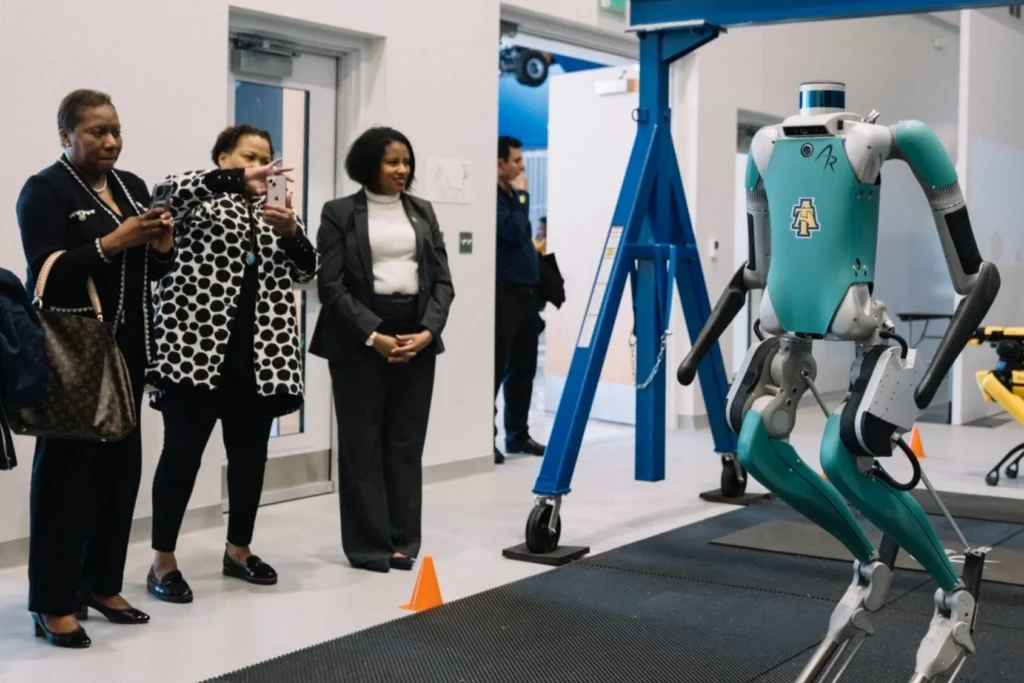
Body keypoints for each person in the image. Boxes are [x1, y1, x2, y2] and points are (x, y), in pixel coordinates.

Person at [15, 88, 177, 648]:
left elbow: (150, 274)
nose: (110, 141)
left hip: (128, 350)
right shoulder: (44, 189)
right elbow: (44, 273)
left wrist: (159, 247)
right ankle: (53, 603)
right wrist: (113, 242)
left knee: (119, 474)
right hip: (76, 356)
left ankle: (101, 584)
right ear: (66, 136)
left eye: (115, 130)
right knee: (64, 481)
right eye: (95, 132)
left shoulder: (131, 186)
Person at [145, 124, 318, 603]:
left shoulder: (276, 211)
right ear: (222, 157)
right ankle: (163, 561)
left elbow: (308, 270)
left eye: (267, 157)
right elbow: (166, 195)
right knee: (181, 456)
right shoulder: (197, 194)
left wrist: (290, 233)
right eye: (249, 156)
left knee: (249, 460)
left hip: (258, 359)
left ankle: (238, 550)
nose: (263, 165)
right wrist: (232, 182)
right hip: (193, 354)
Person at [309, 126, 454, 573]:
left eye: (406, 162)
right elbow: (330, 285)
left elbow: (443, 282)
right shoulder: (339, 213)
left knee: (406, 443)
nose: (402, 170)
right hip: (358, 339)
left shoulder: (422, 211)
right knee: (361, 444)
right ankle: (369, 545)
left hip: (416, 335)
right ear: (368, 164)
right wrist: (374, 335)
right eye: (392, 162)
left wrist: (428, 331)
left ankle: (402, 540)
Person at [494, 136, 545, 464]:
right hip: (504, 294)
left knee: (524, 369)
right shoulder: (498, 198)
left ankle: (518, 435)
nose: (521, 166)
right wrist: (524, 196)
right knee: (496, 368)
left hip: (527, 296)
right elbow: (512, 231)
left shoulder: (513, 196)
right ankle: (487, 439)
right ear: (499, 164)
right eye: (516, 160)